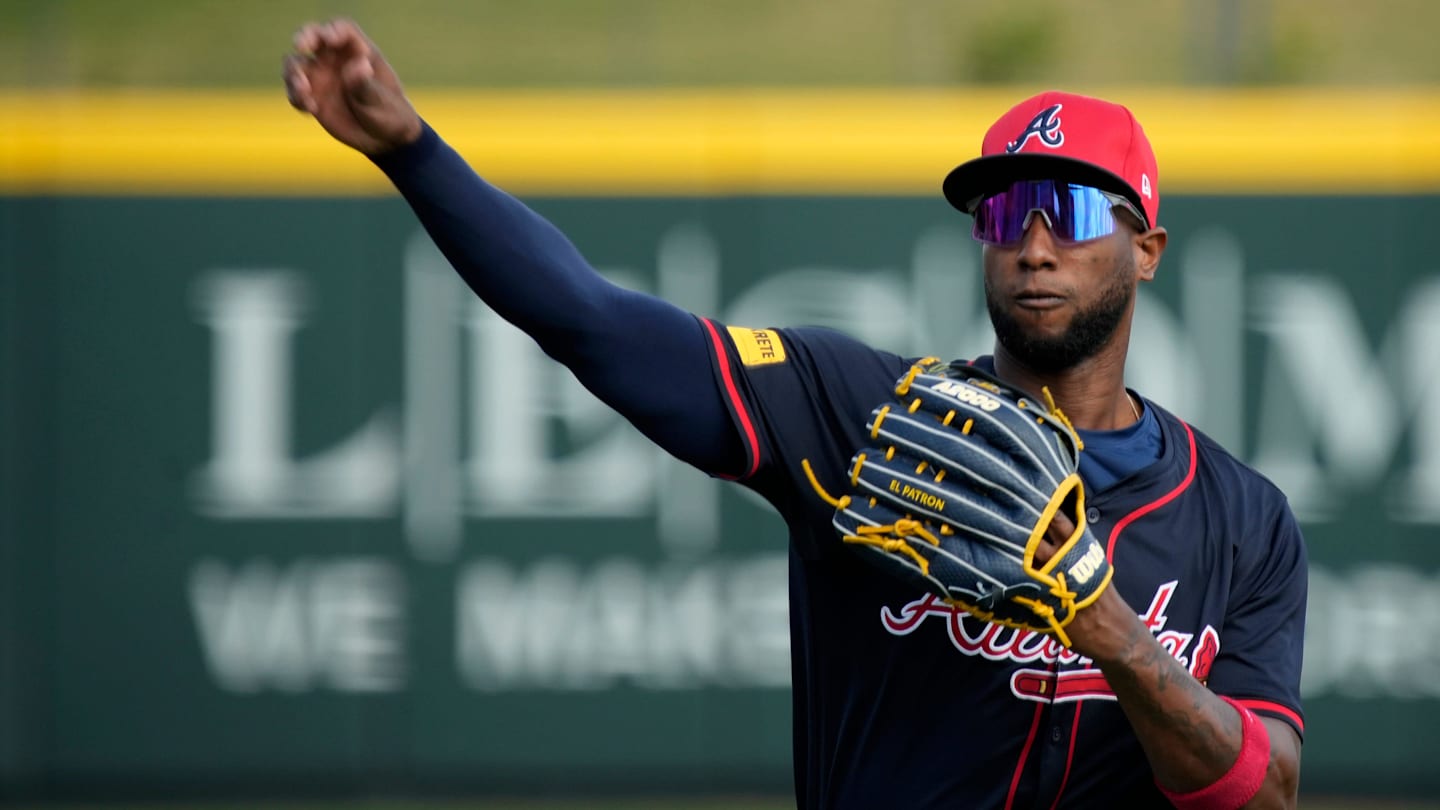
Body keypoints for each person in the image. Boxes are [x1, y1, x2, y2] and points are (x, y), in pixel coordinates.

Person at [284, 19, 1305, 809]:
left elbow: (1265, 792)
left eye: (1073, 212)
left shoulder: (1243, 521)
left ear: (1146, 249)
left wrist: (1111, 632)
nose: (1033, 245)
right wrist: (411, 150)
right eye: (1003, 212)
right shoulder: (871, 418)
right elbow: (595, 323)